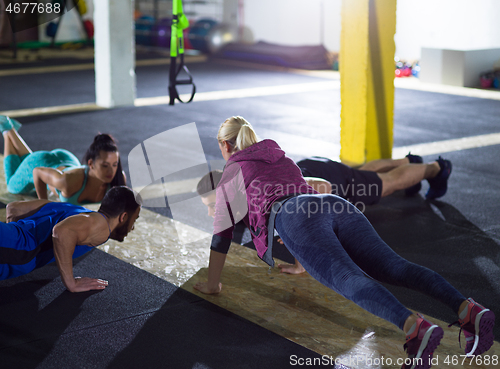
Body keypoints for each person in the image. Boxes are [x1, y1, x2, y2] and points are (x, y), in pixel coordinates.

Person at [193, 116, 495, 369]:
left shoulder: (231, 173)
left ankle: (414, 329)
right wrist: (301, 261)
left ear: (224, 145)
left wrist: (212, 284)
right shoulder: (278, 155)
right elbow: (302, 196)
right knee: (396, 266)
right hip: (333, 203)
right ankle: (467, 309)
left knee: (348, 279)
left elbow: (222, 237)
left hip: (297, 216)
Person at [0, 186, 141, 292]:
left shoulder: (72, 209)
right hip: (19, 250)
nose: (132, 228)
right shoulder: (103, 226)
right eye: (134, 220)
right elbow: (62, 232)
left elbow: (14, 208)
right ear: (123, 217)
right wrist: (71, 283)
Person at [1, 115, 126, 205]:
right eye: (105, 165)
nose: (111, 171)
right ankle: (7, 130)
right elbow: (37, 172)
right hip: (40, 162)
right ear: (90, 164)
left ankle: (10, 130)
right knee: (12, 186)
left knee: (27, 160)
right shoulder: (68, 182)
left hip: (68, 160)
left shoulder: (118, 179)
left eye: (114, 164)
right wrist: (44, 204)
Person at [296, 154, 452, 207]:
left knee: (386, 183)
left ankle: (438, 169)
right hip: (310, 167)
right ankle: (409, 162)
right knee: (357, 175)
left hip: (325, 180)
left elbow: (324, 188)